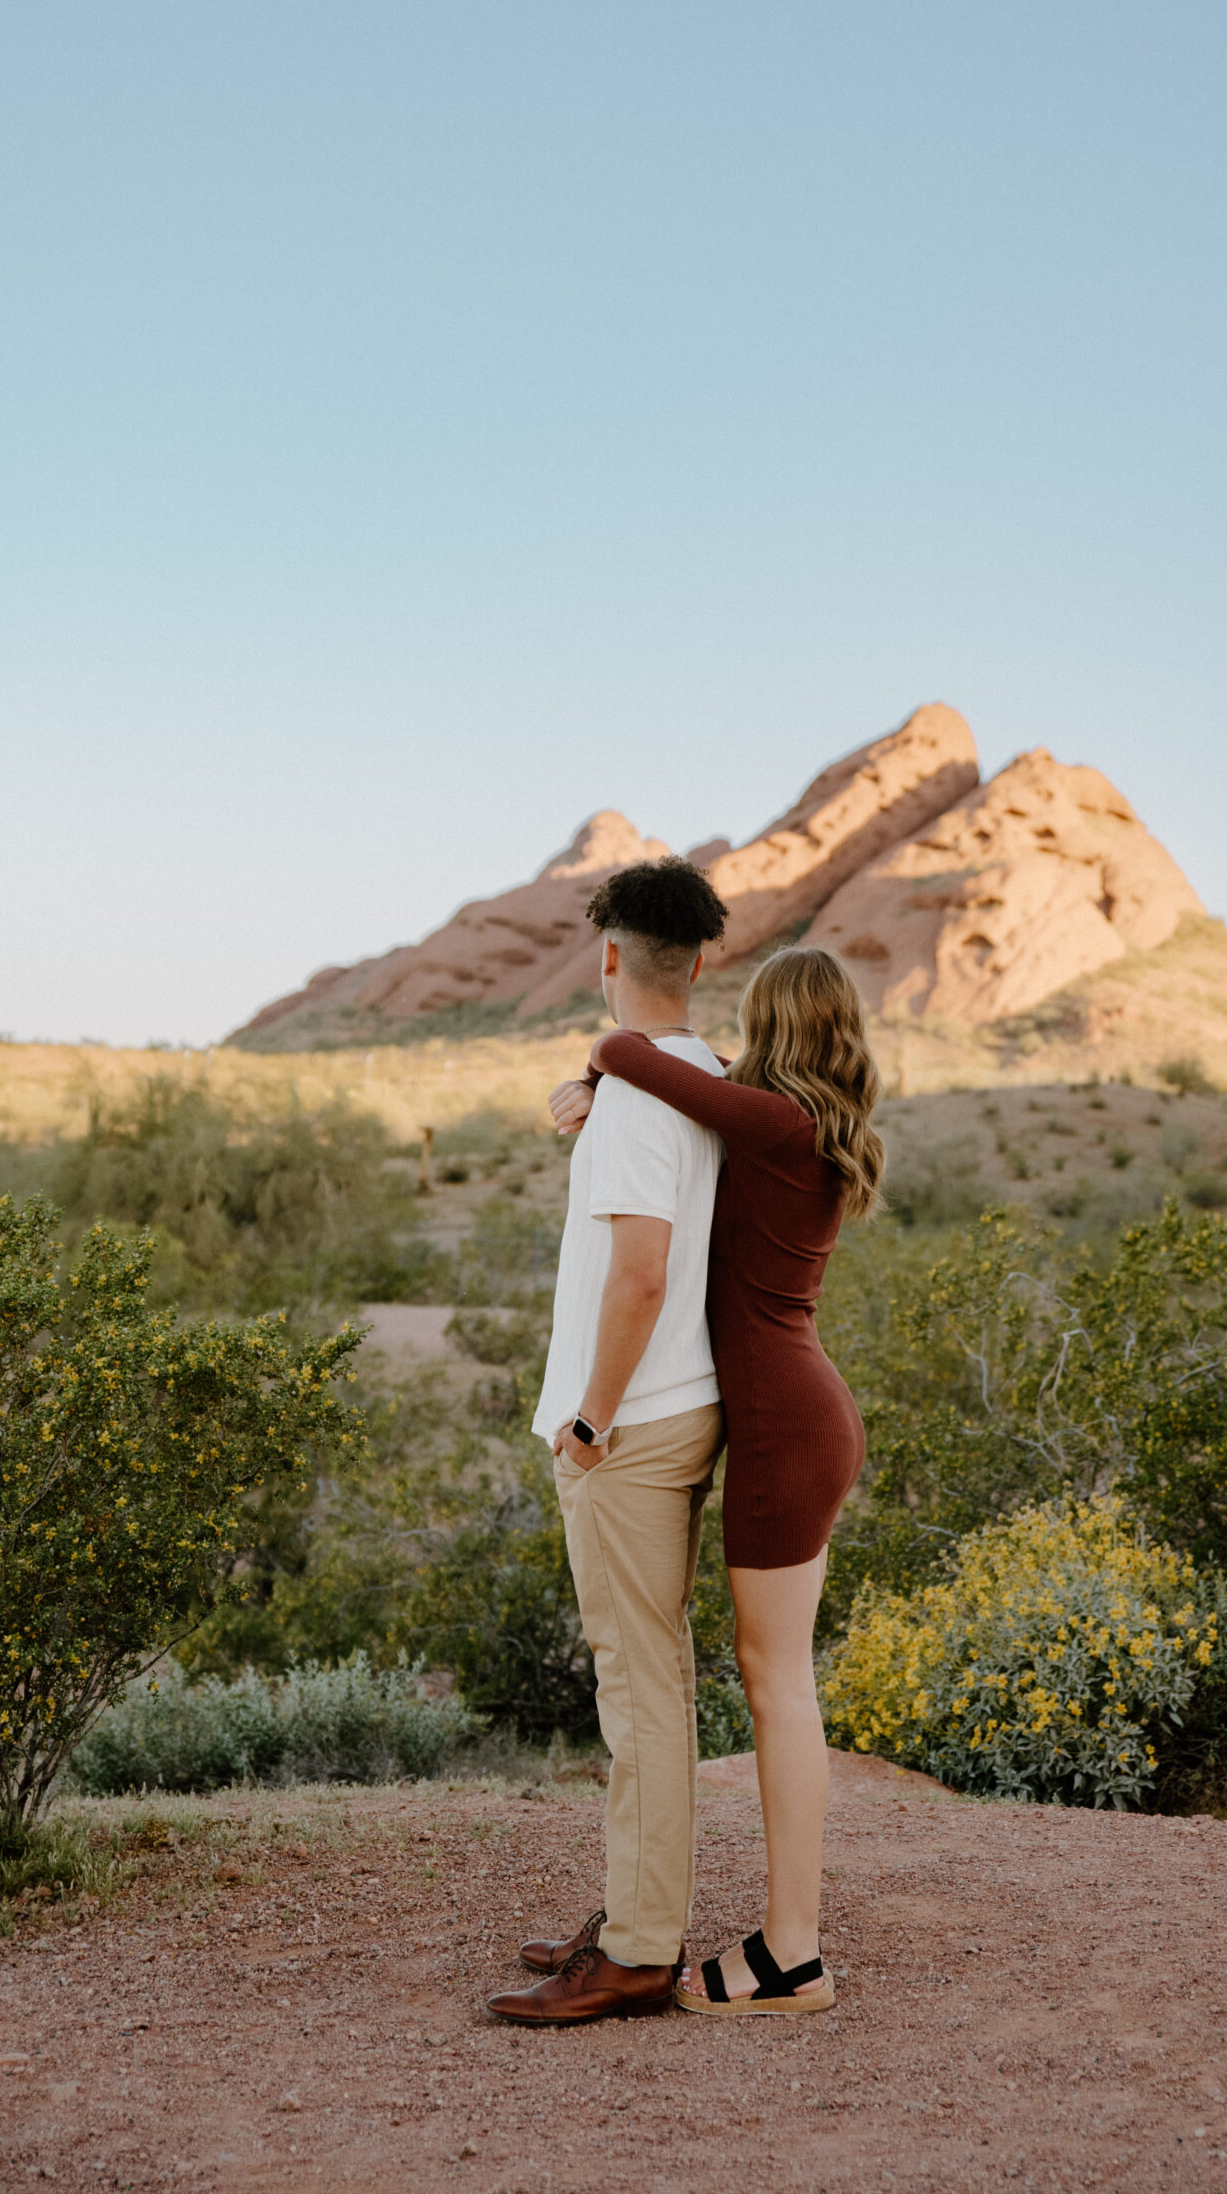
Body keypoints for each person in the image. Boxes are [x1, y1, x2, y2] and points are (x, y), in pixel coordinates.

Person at [547, 945, 882, 2016]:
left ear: (776, 1025)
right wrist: (606, 1090)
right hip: (803, 1417)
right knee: (775, 1675)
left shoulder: (775, 1124)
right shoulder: (800, 1124)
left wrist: (601, 1066)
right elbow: (684, 1077)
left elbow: (632, 1046)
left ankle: (795, 1952)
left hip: (786, 1428)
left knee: (779, 1683)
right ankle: (789, 1940)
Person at [485, 856, 732, 2027]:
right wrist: (591, 1077)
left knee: (636, 1689)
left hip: (629, 1427)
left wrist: (588, 1421)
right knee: (650, 1681)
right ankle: (638, 1911)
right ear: (705, 958)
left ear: (608, 959)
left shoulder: (640, 1098)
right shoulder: (706, 1077)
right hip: (678, 1408)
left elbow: (638, 1275)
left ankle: (638, 1950)